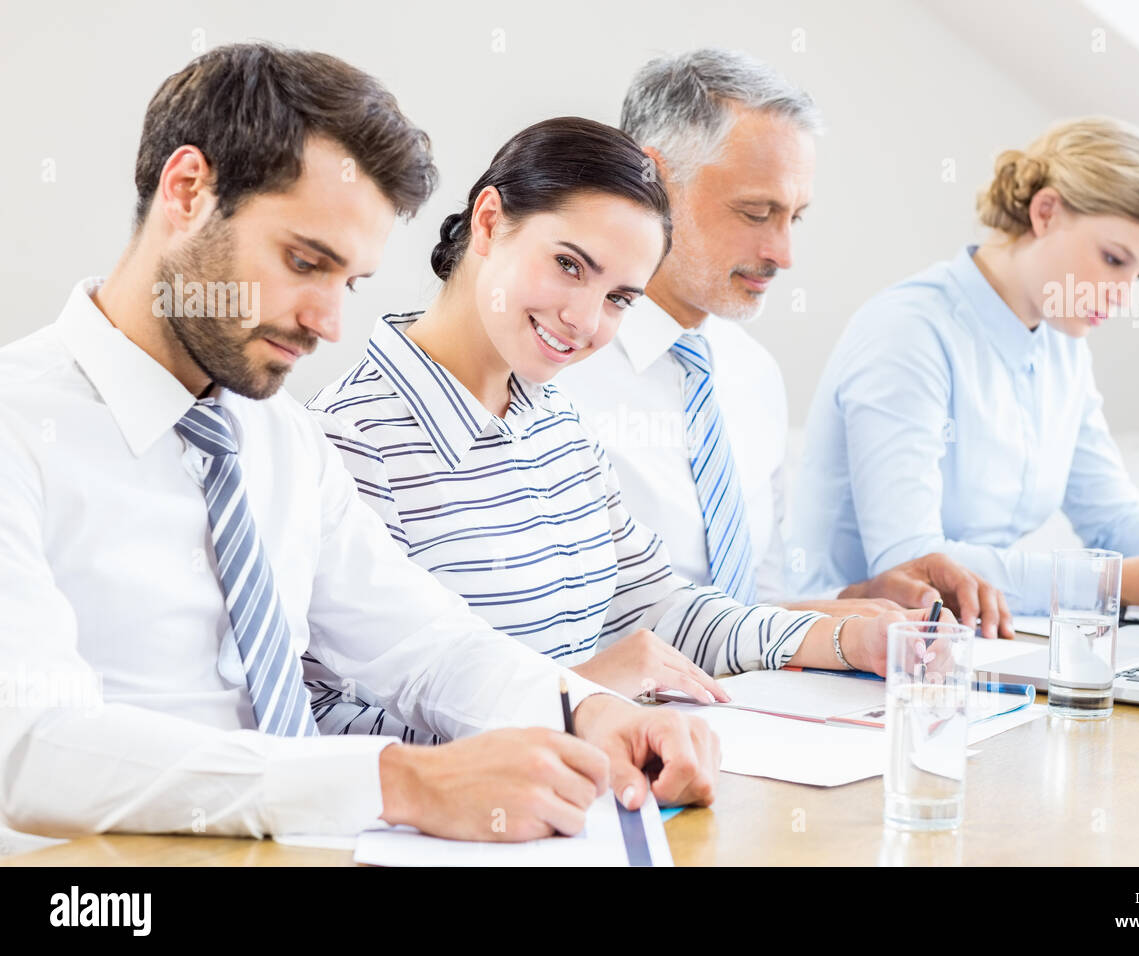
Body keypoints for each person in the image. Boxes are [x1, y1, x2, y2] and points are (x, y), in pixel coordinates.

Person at [0, 43, 718, 844]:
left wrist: (586, 710)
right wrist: (394, 781)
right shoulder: (18, 429)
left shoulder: (278, 440)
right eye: (305, 261)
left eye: (351, 283)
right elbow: (30, 750)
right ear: (187, 191)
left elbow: (424, 643)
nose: (328, 323)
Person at [304, 117, 943, 741]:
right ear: (490, 222)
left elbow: (659, 611)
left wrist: (843, 639)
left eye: (619, 299)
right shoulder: (348, 441)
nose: (584, 320)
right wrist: (579, 696)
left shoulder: (558, 422)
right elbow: (322, 723)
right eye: (569, 265)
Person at [556, 49, 1013, 639]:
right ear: (655, 181)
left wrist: (854, 603)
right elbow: (554, 637)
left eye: (794, 217)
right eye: (756, 212)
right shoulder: (557, 366)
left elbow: (756, 605)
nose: (783, 254)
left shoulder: (752, 374)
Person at [793, 116, 1139, 616]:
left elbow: (1114, 521)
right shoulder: (909, 332)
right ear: (1046, 212)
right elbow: (912, 564)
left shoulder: (1060, 344)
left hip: (976, 641)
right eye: (1113, 259)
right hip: (847, 652)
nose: (1123, 298)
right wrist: (1118, 582)